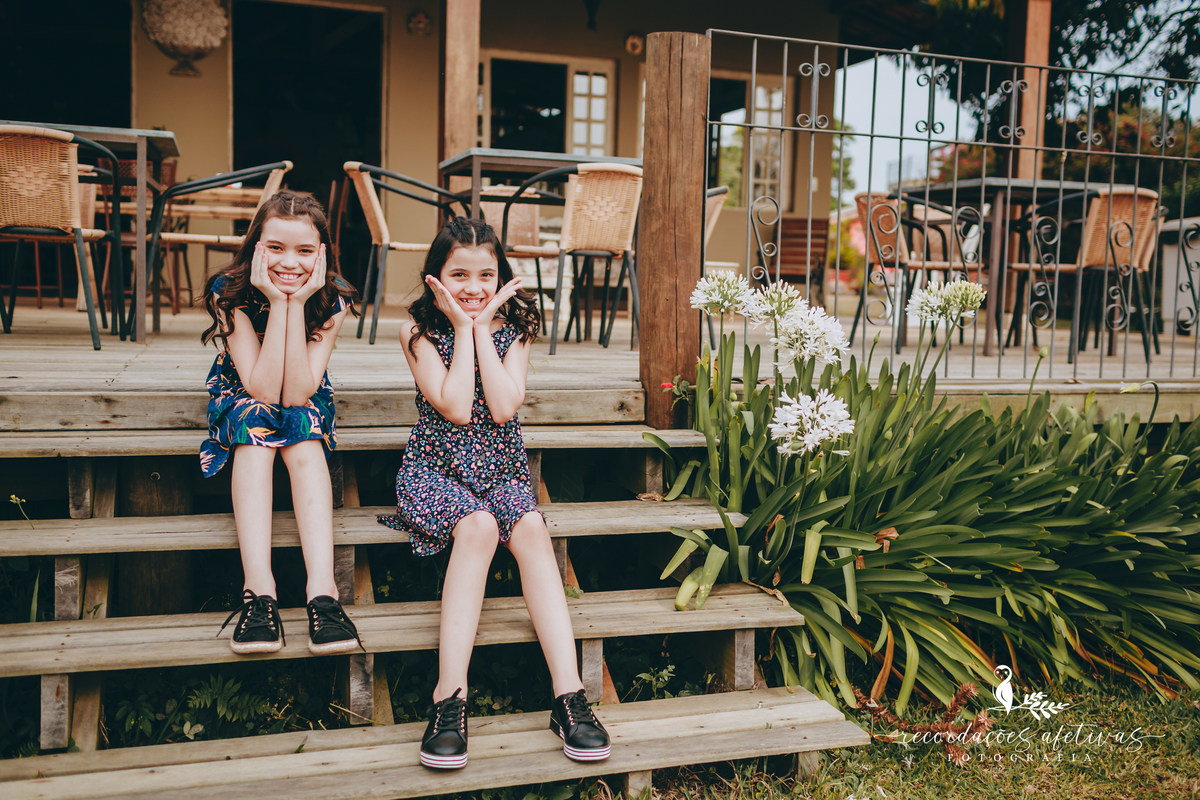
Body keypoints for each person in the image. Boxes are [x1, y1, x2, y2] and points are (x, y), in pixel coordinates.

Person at [378, 217, 609, 769]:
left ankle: (569, 698)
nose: (474, 287)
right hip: (435, 472)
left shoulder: (516, 330)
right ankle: (449, 700)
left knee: (530, 527)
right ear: (436, 277)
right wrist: (463, 329)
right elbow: (457, 407)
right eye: (459, 274)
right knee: (479, 526)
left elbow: (504, 406)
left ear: (500, 277)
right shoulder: (416, 333)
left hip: (500, 472)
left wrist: (481, 329)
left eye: (486, 275)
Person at [199, 190, 363, 657]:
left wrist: (298, 302)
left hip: (303, 387)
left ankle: (323, 594)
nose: (289, 262)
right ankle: (259, 593)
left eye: (304, 250)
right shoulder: (228, 291)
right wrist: (277, 301)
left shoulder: (333, 298)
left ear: (322, 253)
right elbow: (262, 390)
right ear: (256, 247)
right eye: (275, 247)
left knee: (305, 442)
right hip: (245, 388)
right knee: (255, 439)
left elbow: (295, 394)